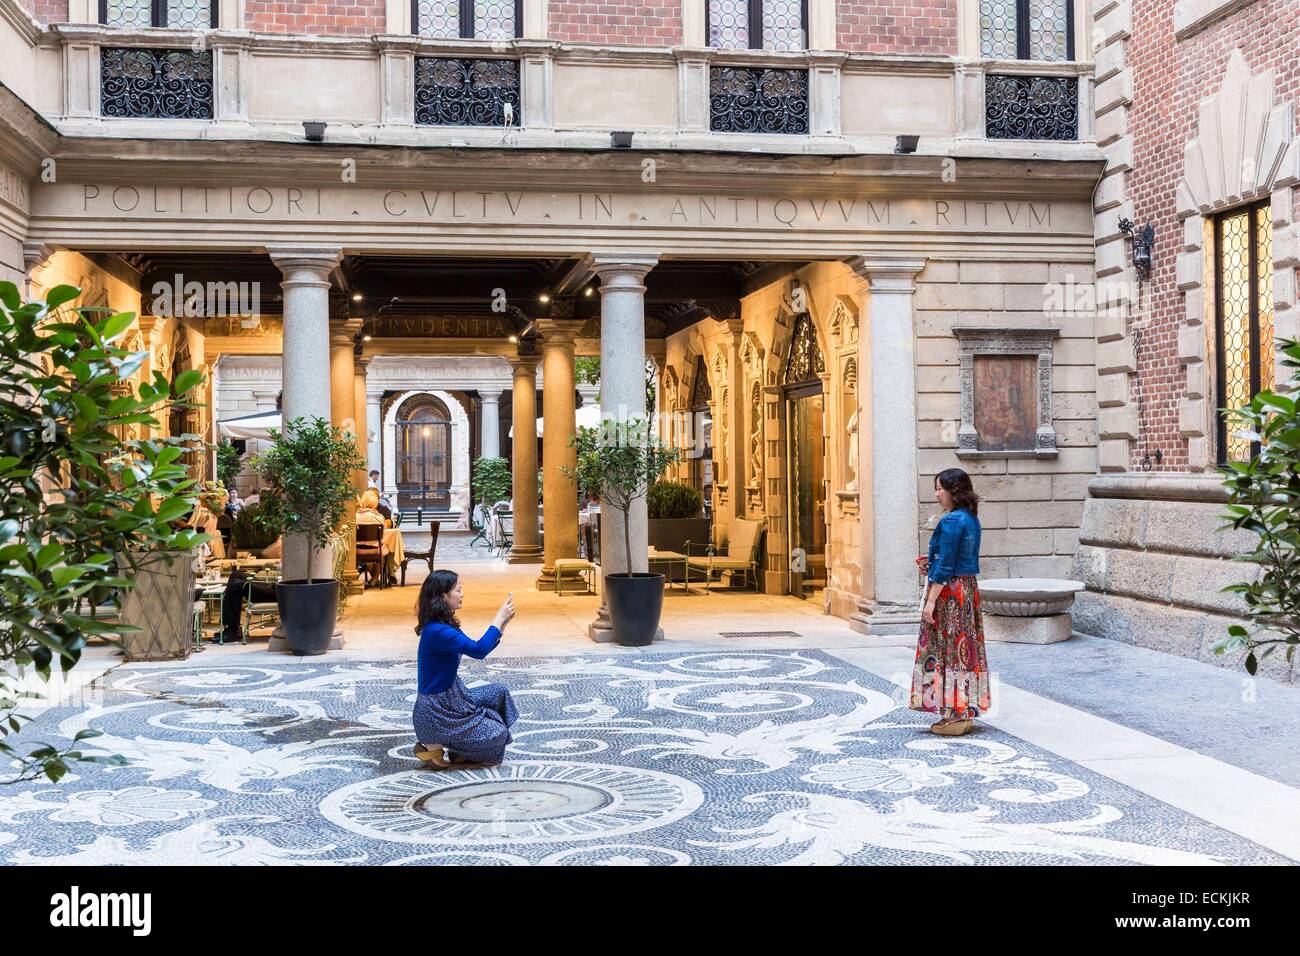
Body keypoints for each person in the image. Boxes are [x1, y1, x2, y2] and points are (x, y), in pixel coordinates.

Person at [910, 467, 989, 737]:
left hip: (951, 593)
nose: (937, 494)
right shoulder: (970, 518)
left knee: (948, 651)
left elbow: (945, 565)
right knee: (964, 650)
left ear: (953, 491)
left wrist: (930, 602)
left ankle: (955, 712)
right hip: (966, 589)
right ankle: (960, 710)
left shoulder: (952, 521)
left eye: (940, 488)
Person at [412, 570, 517, 768]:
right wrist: (498, 618)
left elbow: (478, 647)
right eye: (458, 590)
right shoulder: (439, 631)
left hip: (454, 696)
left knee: (498, 693)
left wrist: (503, 623)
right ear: (444, 595)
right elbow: (478, 651)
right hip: (437, 709)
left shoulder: (442, 625)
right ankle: (433, 745)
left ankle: (459, 749)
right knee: (498, 734)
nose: (462, 594)